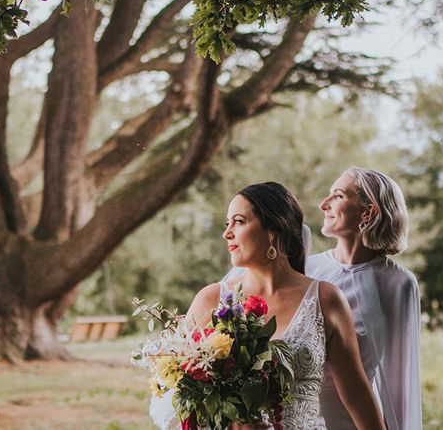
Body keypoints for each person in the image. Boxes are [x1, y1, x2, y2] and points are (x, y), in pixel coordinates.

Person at [151, 182, 386, 430]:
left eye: (239, 221)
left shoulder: (326, 299)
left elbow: (357, 394)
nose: (227, 233)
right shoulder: (211, 300)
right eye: (227, 223)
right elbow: (177, 395)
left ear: (274, 229)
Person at [308, 168, 422, 430]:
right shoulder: (305, 269)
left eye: (337, 196)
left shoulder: (399, 283)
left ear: (367, 212)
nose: (323, 204)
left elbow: (400, 382)